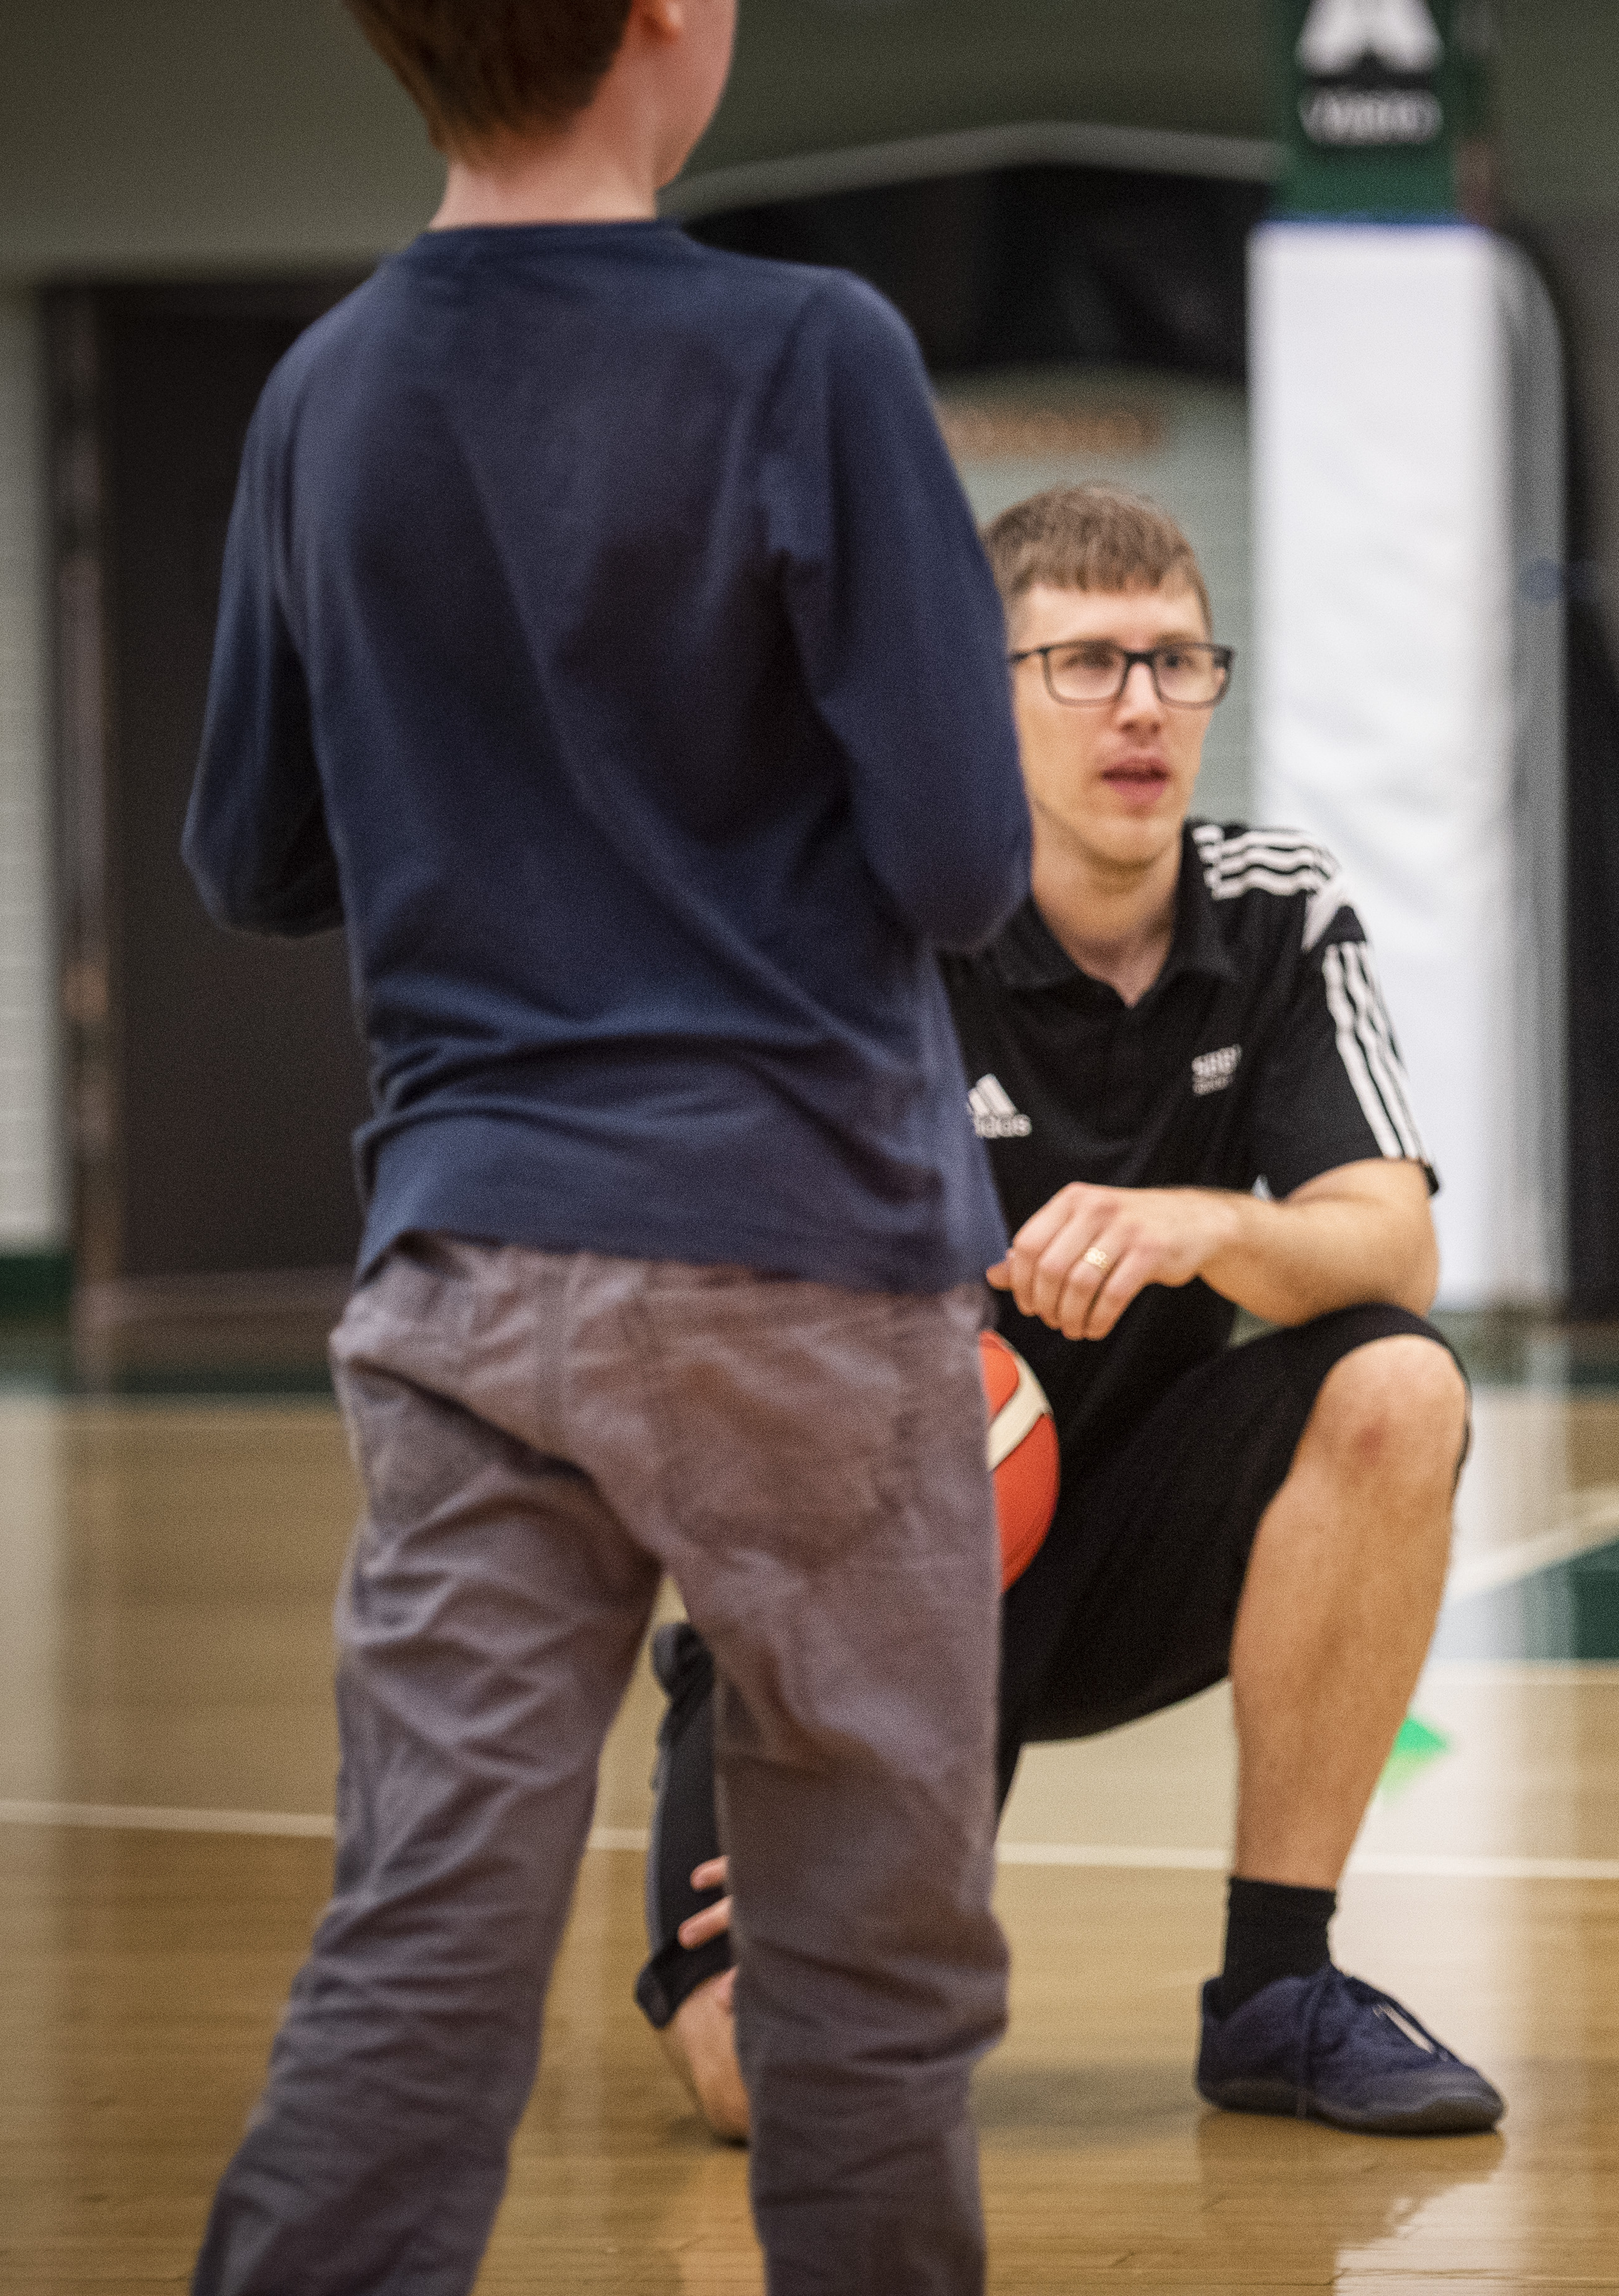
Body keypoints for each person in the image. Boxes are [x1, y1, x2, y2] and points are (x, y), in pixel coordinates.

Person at [175, 1, 1032, 2288]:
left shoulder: (323, 391)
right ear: (668, 14)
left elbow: (251, 854)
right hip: (799, 1264)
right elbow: (961, 859)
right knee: (861, 1977)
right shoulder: (808, 352)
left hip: (463, 1272)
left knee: (422, 1941)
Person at [637, 483, 1498, 2142]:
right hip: (868, 1585)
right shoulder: (858, 930)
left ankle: (1279, 1988)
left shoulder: (1275, 909)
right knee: (779, 2081)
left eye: (1179, 662)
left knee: (1398, 1381)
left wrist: (1199, 1225)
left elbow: (1392, 1243)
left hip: (1131, 1542)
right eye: (1087, 663)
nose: (1143, 707)